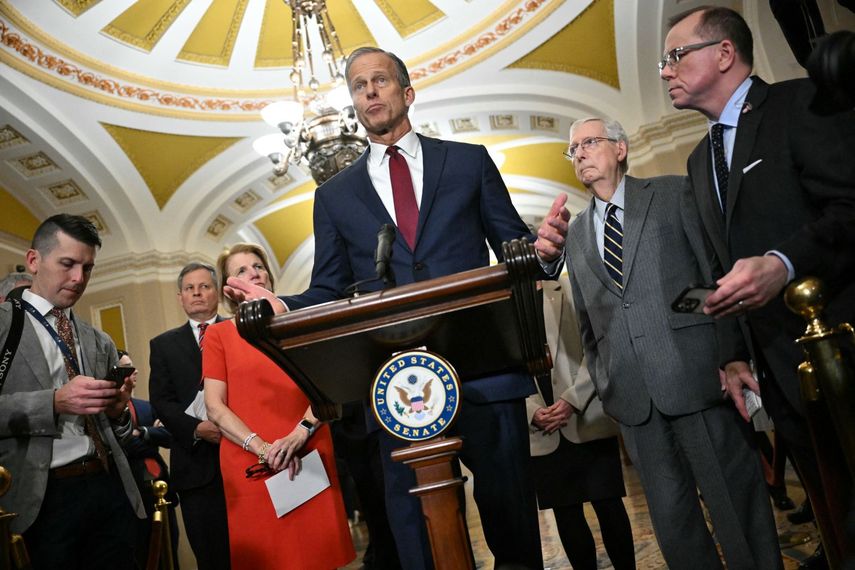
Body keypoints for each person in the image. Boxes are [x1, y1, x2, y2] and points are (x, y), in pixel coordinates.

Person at [226, 47, 543, 570]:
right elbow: (328, 287)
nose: (369, 91)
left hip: (484, 370)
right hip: (395, 384)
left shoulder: (468, 162)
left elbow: (515, 248)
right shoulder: (334, 195)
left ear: (406, 92)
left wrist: (541, 253)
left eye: (380, 81)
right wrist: (279, 301)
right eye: (357, 86)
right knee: (416, 537)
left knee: (512, 523)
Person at [661, 7, 855, 567]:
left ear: (723, 54)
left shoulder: (800, 104)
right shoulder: (700, 161)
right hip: (776, 369)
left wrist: (784, 262)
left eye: (676, 56)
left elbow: (850, 206)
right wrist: (734, 355)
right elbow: (723, 263)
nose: (665, 71)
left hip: (841, 345)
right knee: (832, 504)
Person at [548, 117, 782, 568]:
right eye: (572, 148)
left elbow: (712, 280)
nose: (578, 153)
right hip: (633, 402)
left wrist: (723, 351)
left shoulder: (673, 194)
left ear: (620, 148)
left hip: (698, 378)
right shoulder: (574, 234)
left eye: (589, 142)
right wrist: (607, 381)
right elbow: (588, 324)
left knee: (736, 506)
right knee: (674, 525)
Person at [0, 214, 144, 568]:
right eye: (67, 264)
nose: (79, 279)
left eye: (87, 268)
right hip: (40, 495)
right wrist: (53, 402)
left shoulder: (100, 340)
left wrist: (117, 412)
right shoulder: (4, 325)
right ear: (34, 261)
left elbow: (120, 431)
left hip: (107, 486)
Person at [203, 243, 355, 570]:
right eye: (240, 270)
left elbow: (328, 387)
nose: (253, 273)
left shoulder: (302, 321)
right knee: (268, 558)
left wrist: (299, 435)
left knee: (318, 555)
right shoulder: (217, 336)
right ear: (228, 288)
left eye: (257, 266)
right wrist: (262, 449)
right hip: (249, 461)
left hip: (308, 449)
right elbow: (215, 407)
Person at [526, 277, 635, 570]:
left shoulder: (571, 284)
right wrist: (530, 411)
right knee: (566, 513)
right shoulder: (499, 302)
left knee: (609, 504)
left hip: (585, 414)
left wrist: (573, 399)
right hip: (540, 425)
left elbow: (598, 344)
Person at [149, 263, 230, 570]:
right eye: (189, 288)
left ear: (218, 292)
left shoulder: (238, 332)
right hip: (196, 469)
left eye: (204, 286)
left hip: (244, 458)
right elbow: (161, 402)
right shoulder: (163, 345)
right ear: (180, 297)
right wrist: (198, 430)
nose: (197, 293)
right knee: (211, 557)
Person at [119, 350, 181, 570]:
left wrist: (143, 431)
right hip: (128, 495)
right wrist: (146, 439)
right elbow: (122, 444)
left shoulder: (146, 406)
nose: (135, 371)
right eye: (127, 368)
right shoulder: (106, 411)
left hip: (161, 490)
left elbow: (171, 435)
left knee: (169, 550)